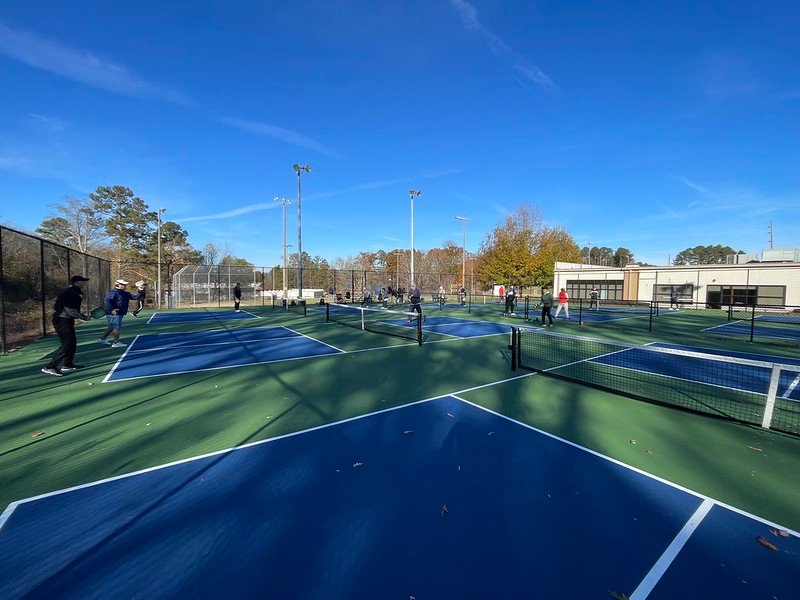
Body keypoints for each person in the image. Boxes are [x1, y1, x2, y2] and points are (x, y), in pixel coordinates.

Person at [42, 275, 91, 376]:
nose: (85, 283)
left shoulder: (71, 291)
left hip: (65, 319)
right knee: (67, 343)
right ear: (77, 282)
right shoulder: (73, 292)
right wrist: (84, 317)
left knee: (72, 342)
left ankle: (67, 365)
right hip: (61, 320)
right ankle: (50, 367)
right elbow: (70, 310)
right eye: (83, 281)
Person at [99, 279, 146, 348]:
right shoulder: (113, 292)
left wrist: (140, 290)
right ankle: (116, 342)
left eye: (125, 284)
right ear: (118, 285)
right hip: (114, 313)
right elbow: (107, 300)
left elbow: (136, 297)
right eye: (123, 284)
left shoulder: (125, 293)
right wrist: (112, 309)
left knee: (112, 326)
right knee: (116, 327)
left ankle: (102, 339)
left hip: (119, 312)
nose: (125, 286)